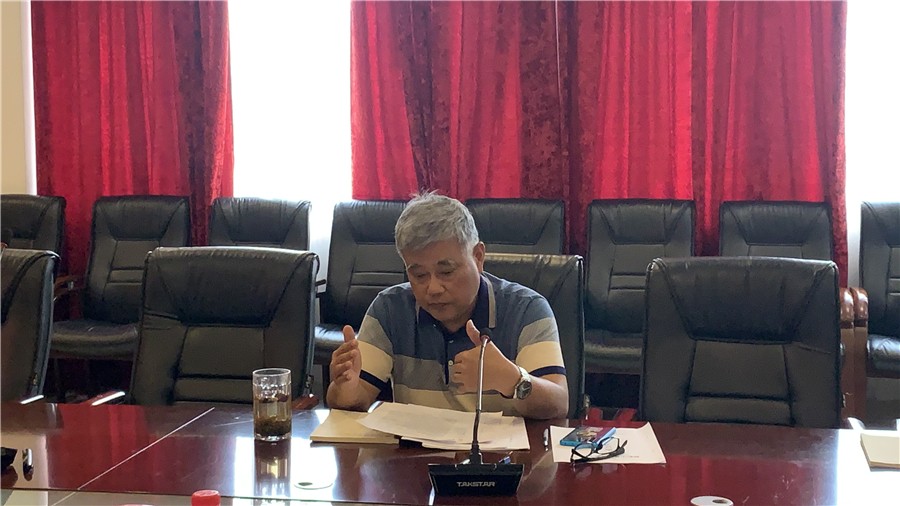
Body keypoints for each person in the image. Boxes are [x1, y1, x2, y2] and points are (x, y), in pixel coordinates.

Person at [326, 192, 569, 420]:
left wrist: (512, 380)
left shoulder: (527, 309)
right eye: (419, 275)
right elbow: (355, 401)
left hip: (501, 450)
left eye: (447, 271)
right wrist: (345, 388)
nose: (433, 288)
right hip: (413, 450)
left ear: (478, 257)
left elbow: (559, 403)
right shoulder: (389, 309)